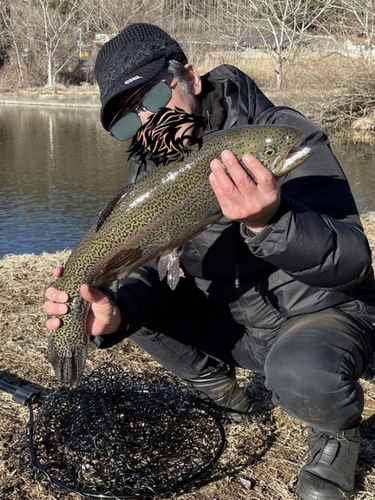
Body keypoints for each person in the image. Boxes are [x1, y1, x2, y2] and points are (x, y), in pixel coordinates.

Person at [44, 23, 375, 500]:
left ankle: (336, 434)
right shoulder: (152, 168)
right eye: (125, 119)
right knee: (129, 304)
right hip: (238, 330)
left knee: (301, 373)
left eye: (152, 97)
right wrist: (114, 315)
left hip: (320, 317)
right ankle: (222, 389)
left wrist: (271, 220)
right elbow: (150, 273)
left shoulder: (278, 131)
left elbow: (354, 262)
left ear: (191, 78)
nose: (146, 122)